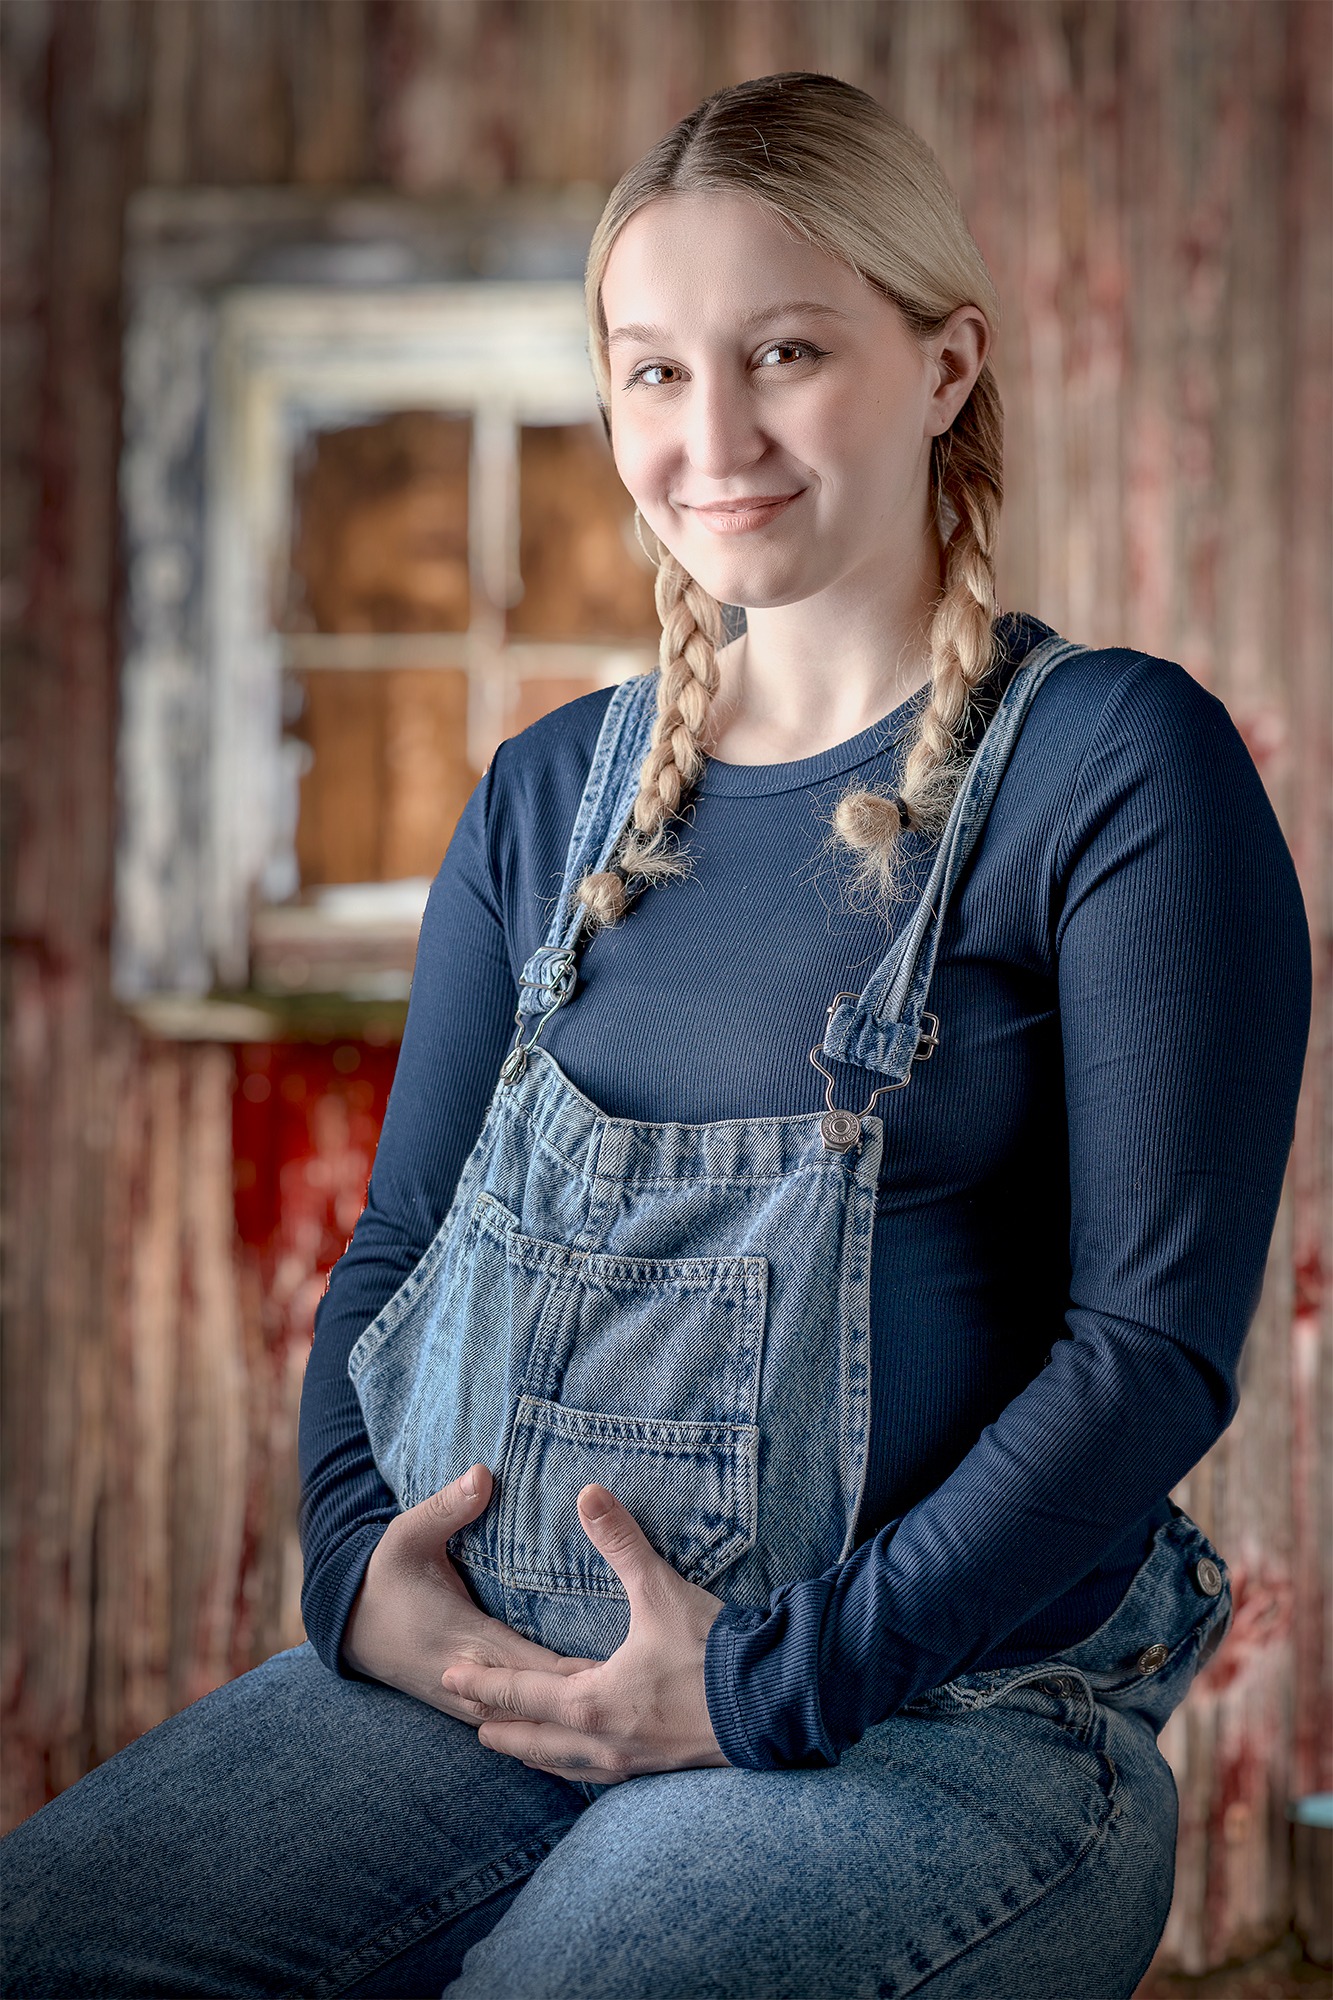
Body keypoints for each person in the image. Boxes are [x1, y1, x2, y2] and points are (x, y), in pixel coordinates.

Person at [2, 70, 1311, 2000]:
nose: (713, 439)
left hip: (937, 1720)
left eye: (785, 353)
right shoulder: (552, 798)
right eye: (652, 372)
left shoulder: (1114, 766)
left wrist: (760, 1683)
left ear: (943, 364)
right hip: (491, 1685)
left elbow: (1147, 1362)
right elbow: (396, 1253)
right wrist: (358, 1576)